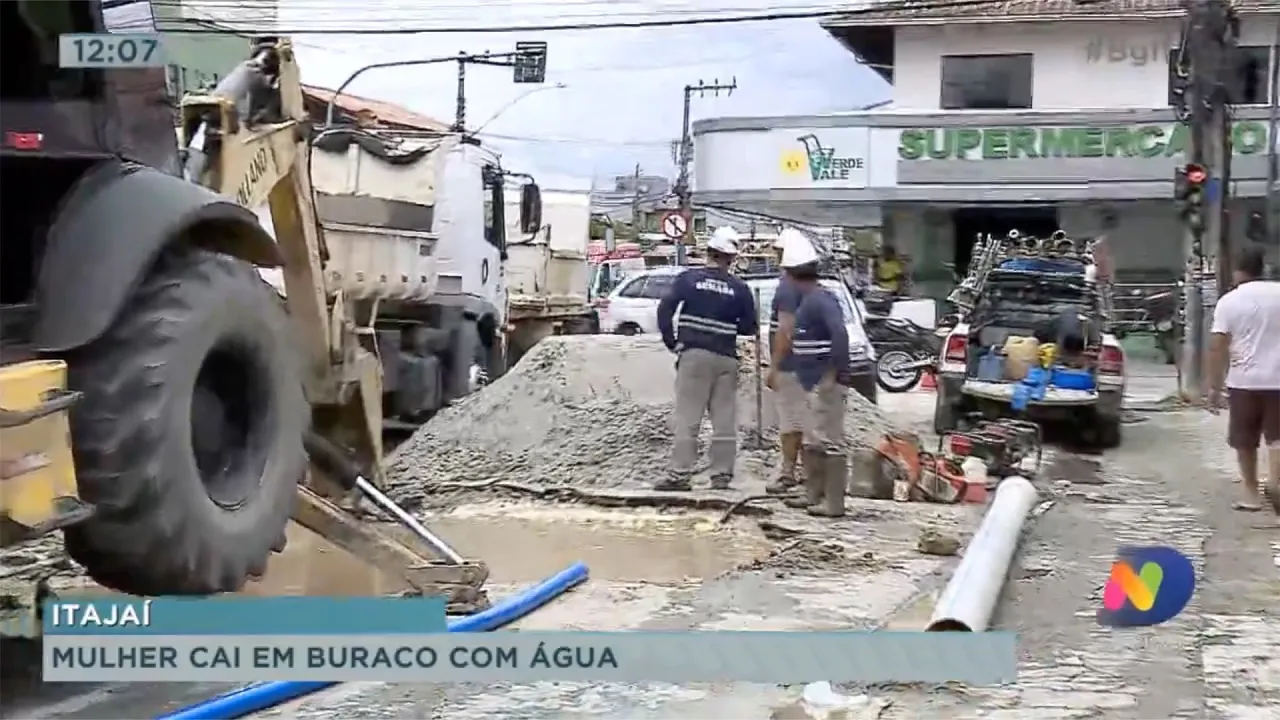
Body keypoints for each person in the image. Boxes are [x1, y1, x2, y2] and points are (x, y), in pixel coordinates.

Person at [655, 226, 759, 491]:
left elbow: (665, 309)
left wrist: (672, 341)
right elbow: (749, 327)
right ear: (731, 258)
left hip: (694, 356)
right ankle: (721, 475)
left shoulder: (688, 280)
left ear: (708, 252)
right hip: (726, 358)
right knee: (724, 420)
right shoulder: (740, 288)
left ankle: (680, 475)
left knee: (689, 417)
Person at [778, 239, 850, 518]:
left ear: (791, 274)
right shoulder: (810, 300)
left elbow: (840, 334)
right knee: (814, 439)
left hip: (825, 382)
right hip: (813, 382)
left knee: (830, 440)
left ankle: (833, 503)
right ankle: (814, 494)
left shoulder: (821, 300)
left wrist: (831, 374)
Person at [1206, 243, 1280, 513]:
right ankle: (1275, 481)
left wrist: (1214, 386)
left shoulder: (1230, 301)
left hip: (1244, 382)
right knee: (1277, 438)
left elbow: (1218, 346)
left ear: (1237, 271)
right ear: (1263, 268)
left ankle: (1251, 493)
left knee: (1245, 440)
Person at [765, 228, 810, 495]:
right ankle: (807, 473)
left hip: (792, 366)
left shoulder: (787, 287)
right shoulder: (812, 285)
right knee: (805, 420)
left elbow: (785, 330)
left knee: (790, 422)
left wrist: (774, 366)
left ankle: (788, 473)